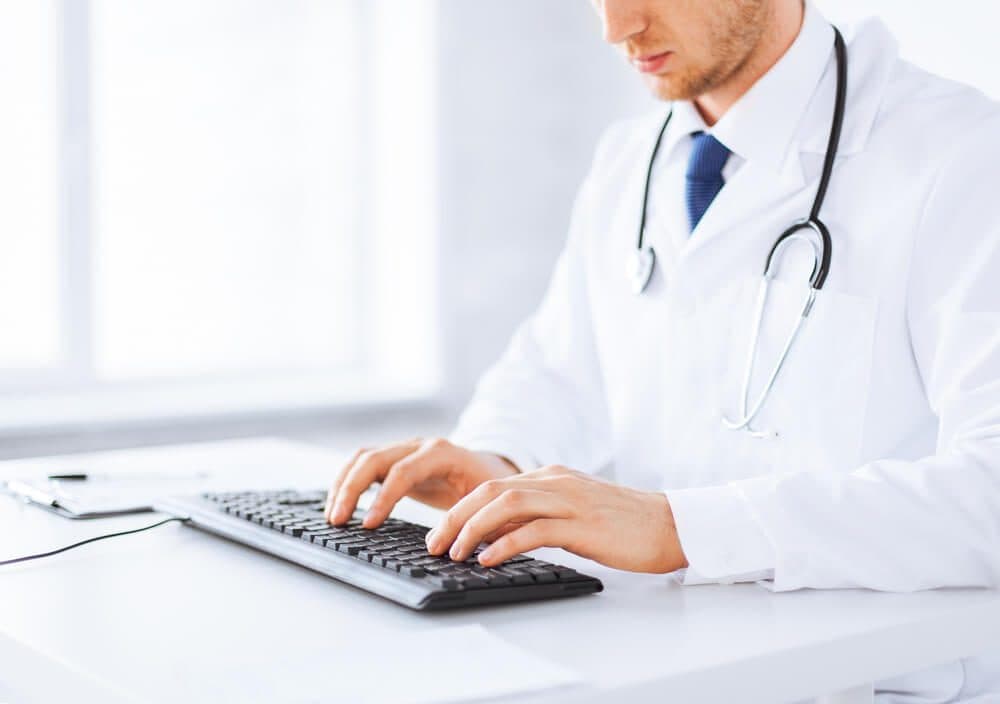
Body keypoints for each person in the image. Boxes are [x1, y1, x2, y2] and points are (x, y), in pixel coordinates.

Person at [327, 0, 1000, 699]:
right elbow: (559, 371)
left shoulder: (964, 156)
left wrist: (682, 529)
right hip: (662, 666)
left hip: (871, 685)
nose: (616, 27)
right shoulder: (631, 157)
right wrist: (498, 464)